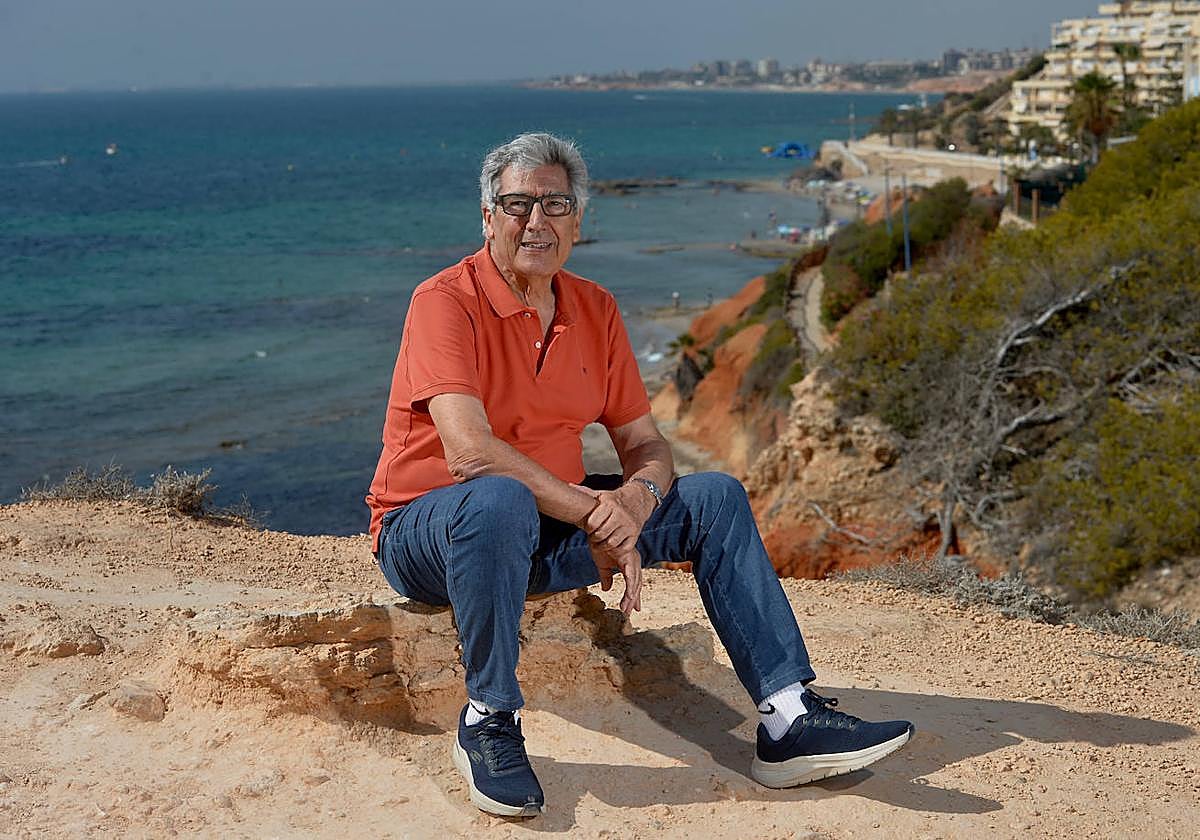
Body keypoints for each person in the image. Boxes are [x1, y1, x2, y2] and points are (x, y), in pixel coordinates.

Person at [366, 132, 913, 818]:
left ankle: (787, 719)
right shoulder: (443, 300)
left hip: (543, 524)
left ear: (578, 220)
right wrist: (593, 512)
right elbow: (470, 453)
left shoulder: (594, 308)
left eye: (555, 205)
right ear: (486, 216)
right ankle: (489, 721)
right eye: (517, 205)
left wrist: (635, 499)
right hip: (430, 531)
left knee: (714, 497)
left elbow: (646, 442)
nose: (536, 221)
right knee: (497, 497)